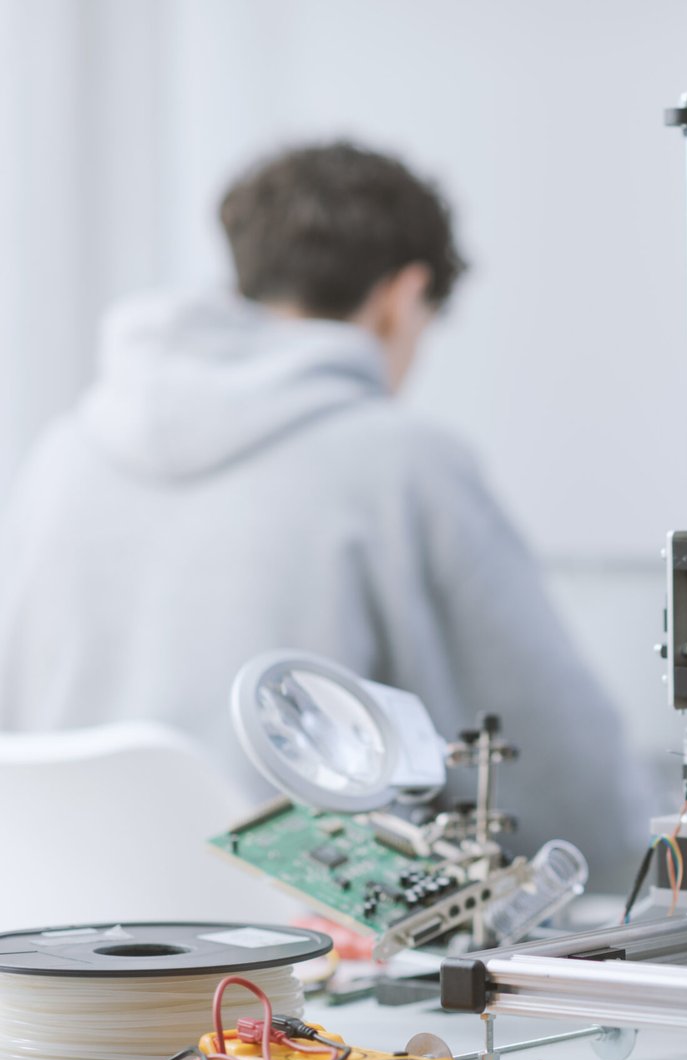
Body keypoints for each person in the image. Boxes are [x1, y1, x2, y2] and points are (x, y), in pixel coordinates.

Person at [0, 142, 650, 890]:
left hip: (56, 956)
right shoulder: (403, 462)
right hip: (295, 975)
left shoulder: (64, 452)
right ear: (400, 299)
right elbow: (571, 791)